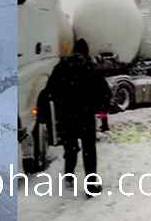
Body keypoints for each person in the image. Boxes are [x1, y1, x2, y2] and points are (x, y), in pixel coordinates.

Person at [46, 38, 110, 195]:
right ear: (86, 52)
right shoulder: (91, 68)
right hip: (85, 116)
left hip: (66, 115)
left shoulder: (61, 67)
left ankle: (69, 176)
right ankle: (90, 186)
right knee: (89, 150)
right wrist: (98, 109)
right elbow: (105, 93)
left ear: (74, 50)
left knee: (71, 148)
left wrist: (62, 103)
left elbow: (50, 90)